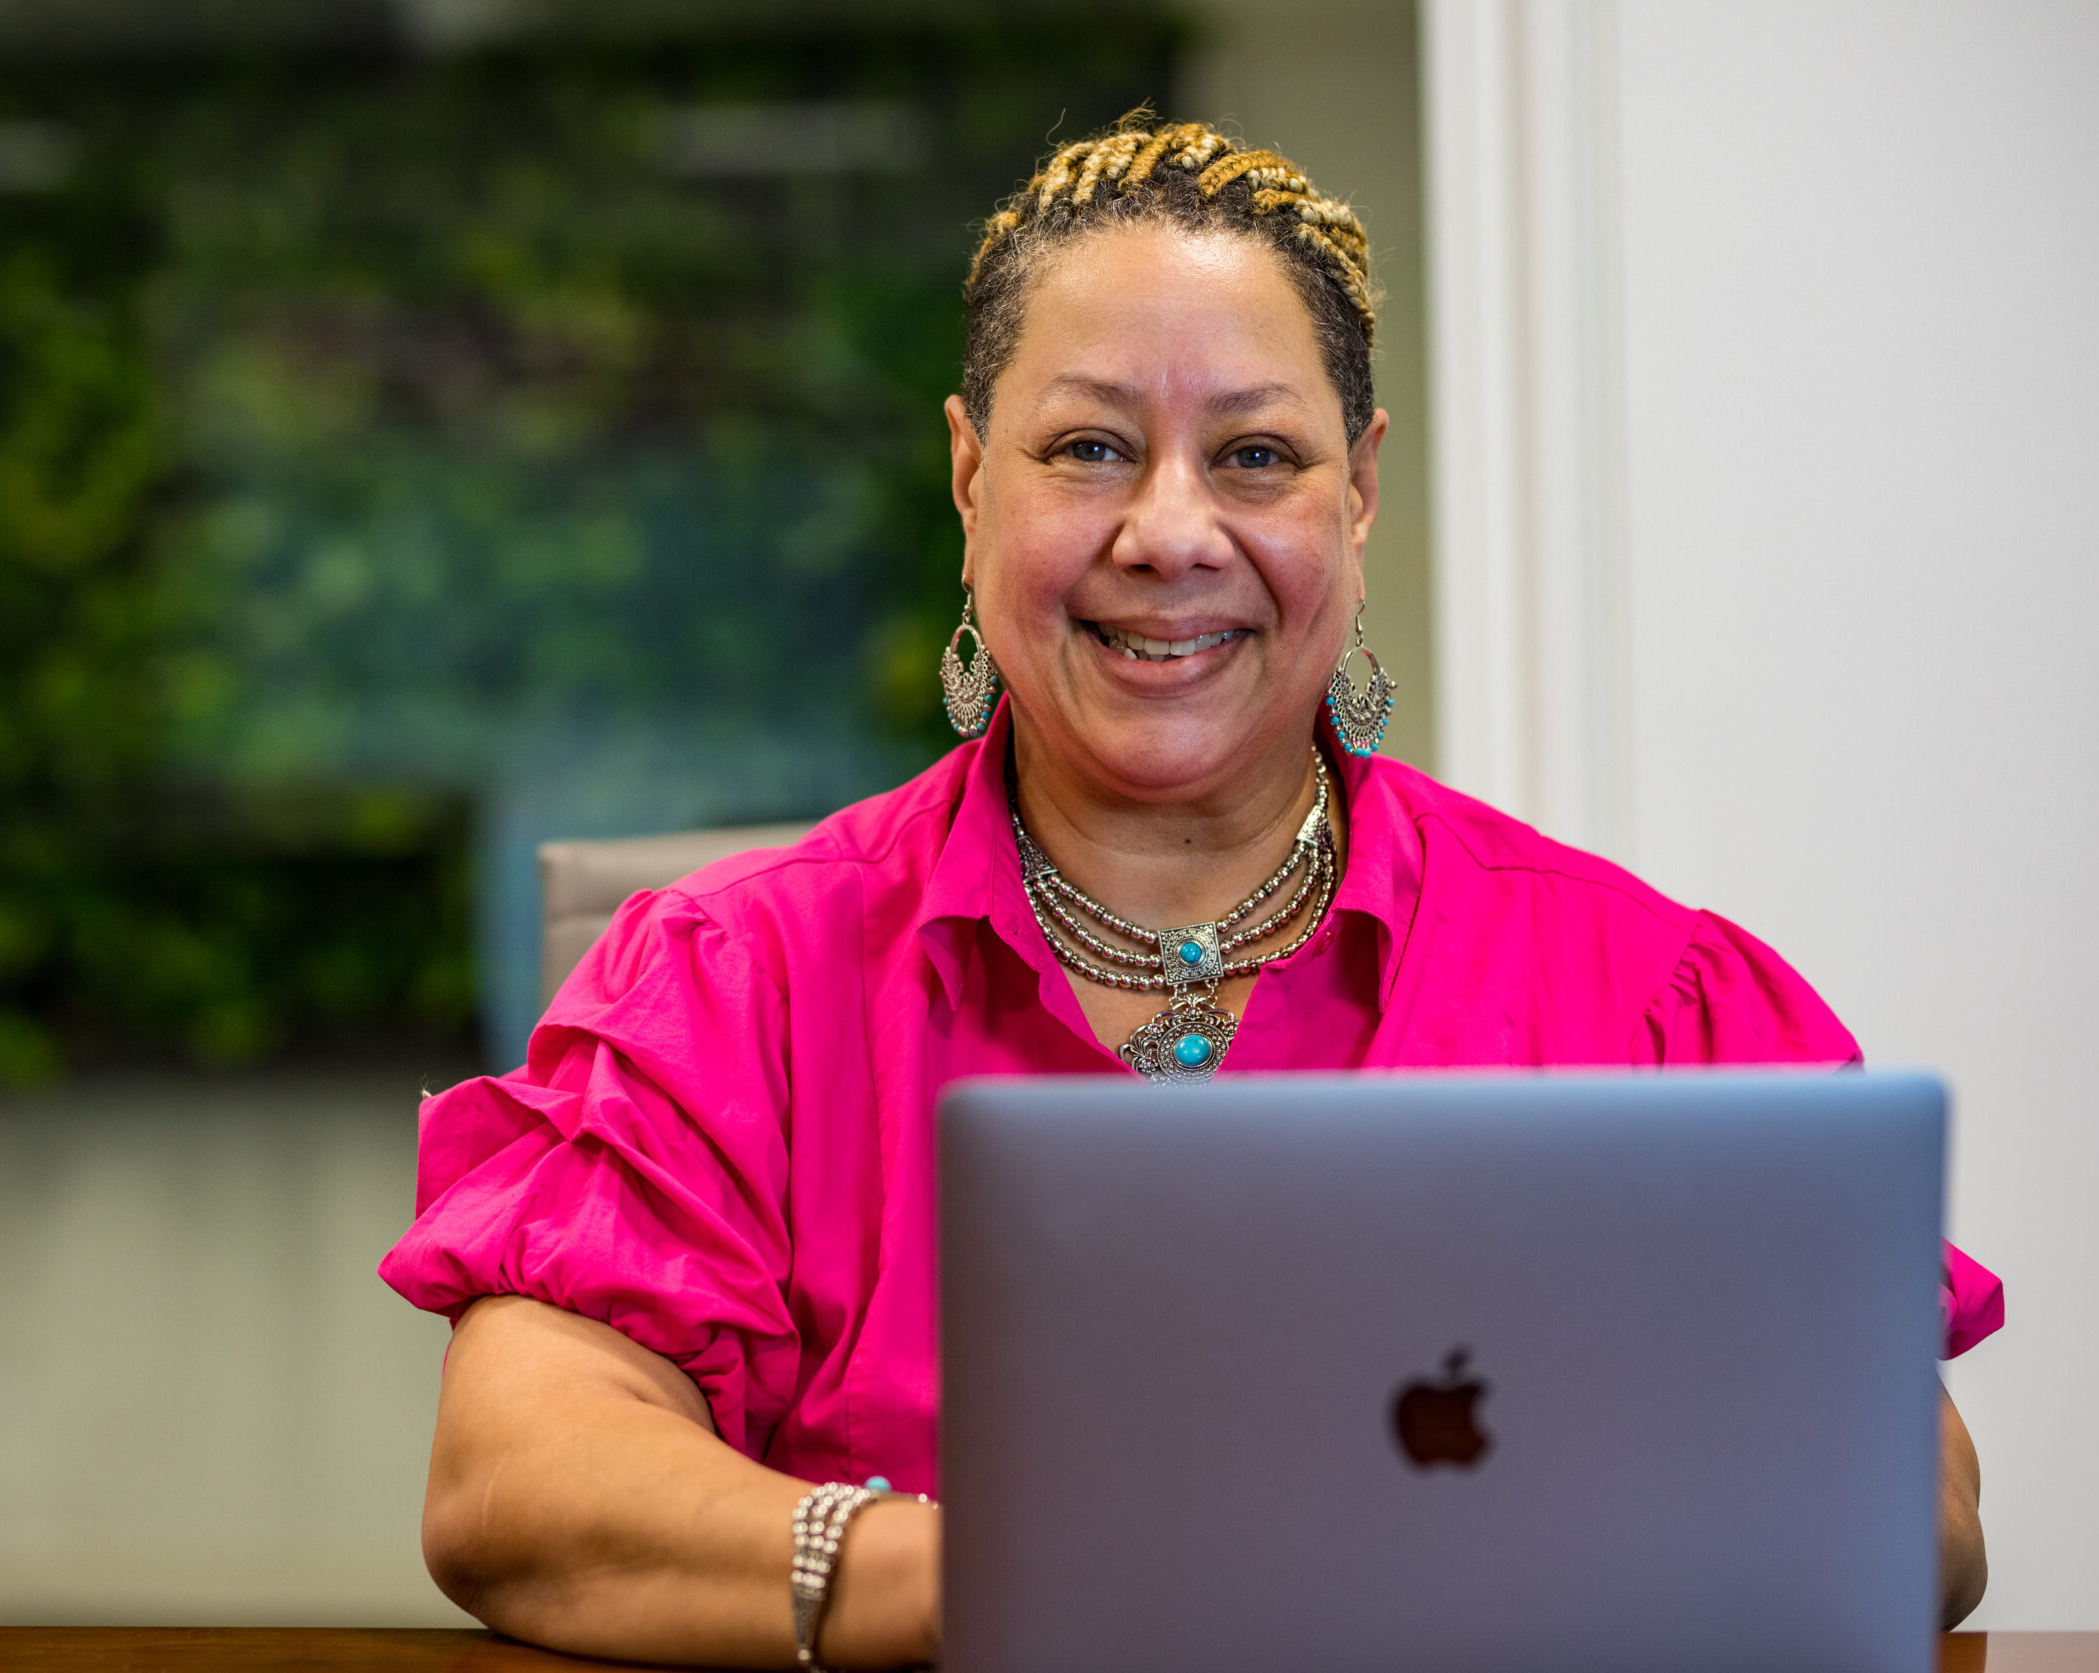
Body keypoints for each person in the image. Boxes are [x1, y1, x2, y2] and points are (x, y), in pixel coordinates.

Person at [380, 119, 2002, 1669]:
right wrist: (978, 1575)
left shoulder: (1643, 996)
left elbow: (1915, 1511)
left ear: (1358, 493)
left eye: (1255, 455)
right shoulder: (736, 979)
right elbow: (517, 1481)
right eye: (1088, 446)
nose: (1169, 531)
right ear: (968, 481)